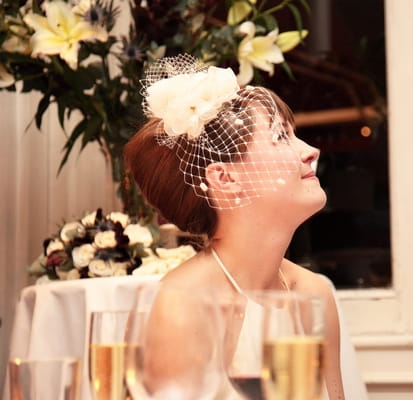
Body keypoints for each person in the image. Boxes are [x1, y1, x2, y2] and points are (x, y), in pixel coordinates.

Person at [124, 54, 360, 399]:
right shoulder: (180, 304)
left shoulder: (313, 293)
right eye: (281, 137)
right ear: (225, 178)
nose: (311, 151)